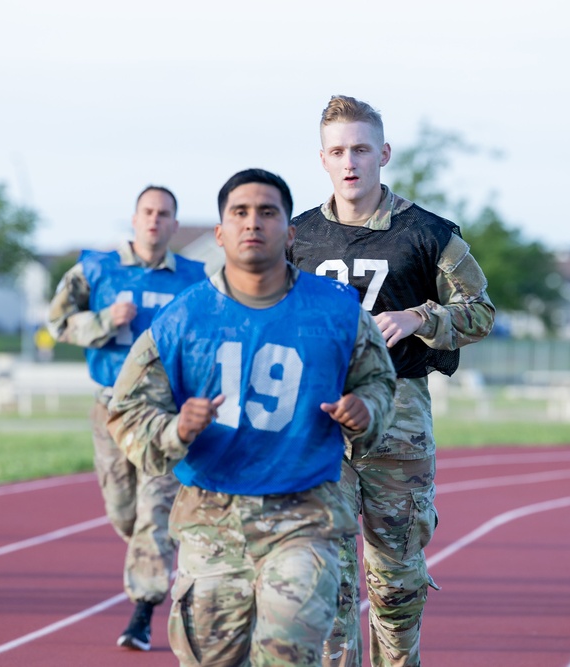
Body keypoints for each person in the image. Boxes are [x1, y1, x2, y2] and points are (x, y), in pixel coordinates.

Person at [107, 168, 397, 666]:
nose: (252, 223)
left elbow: (379, 382)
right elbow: (127, 413)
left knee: (287, 647)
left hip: (304, 513)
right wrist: (175, 429)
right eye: (239, 213)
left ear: (290, 231)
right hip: (211, 519)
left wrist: (365, 409)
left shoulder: (338, 312)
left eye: (267, 212)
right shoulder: (183, 319)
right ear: (219, 233)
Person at [287, 95, 495, 667]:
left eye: (360, 148)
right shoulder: (296, 237)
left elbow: (481, 312)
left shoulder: (428, 234)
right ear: (322, 160)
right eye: (337, 151)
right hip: (319, 421)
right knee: (325, 569)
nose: (349, 161)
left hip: (398, 423)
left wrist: (419, 318)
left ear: (384, 153)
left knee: (396, 575)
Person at [47, 185, 207, 650]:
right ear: (134, 219)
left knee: (155, 510)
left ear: (176, 225)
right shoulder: (97, 269)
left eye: (165, 214)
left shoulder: (196, 279)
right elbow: (56, 322)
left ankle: (143, 610)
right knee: (124, 512)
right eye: (148, 212)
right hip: (111, 408)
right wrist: (102, 321)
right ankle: (153, 561)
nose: (155, 220)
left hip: (164, 413)